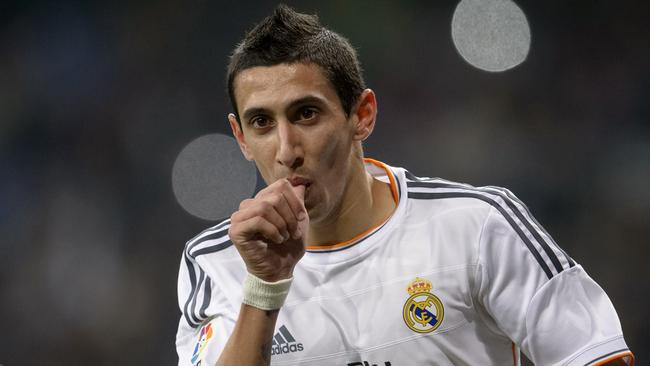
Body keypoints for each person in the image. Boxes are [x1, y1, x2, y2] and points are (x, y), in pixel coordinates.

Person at [175, 5, 634, 366]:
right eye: (261, 122)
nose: (286, 149)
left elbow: (596, 354)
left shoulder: (476, 224)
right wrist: (264, 286)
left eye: (306, 114)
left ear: (362, 115)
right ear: (240, 138)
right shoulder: (214, 262)